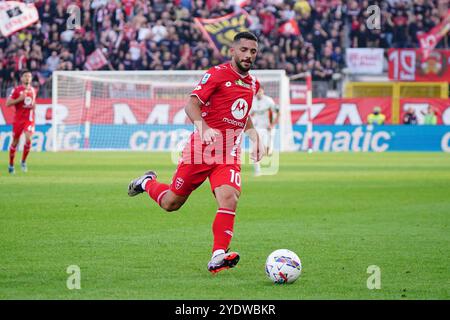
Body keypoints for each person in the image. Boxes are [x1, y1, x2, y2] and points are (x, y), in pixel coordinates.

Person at [127, 32, 264, 274]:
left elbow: (243, 113)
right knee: (171, 203)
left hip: (228, 153)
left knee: (229, 198)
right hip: (201, 151)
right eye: (243, 50)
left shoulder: (253, 84)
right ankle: (147, 182)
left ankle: (218, 255)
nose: (248, 55)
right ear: (233, 51)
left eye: (252, 51)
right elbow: (191, 104)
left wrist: (255, 138)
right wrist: (204, 128)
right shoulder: (217, 74)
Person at [6, 70, 37, 174]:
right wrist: (19, 99)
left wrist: (34, 106)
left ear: (31, 79)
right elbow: (8, 103)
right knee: (15, 142)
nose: (27, 78)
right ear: (22, 79)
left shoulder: (33, 90)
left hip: (29, 120)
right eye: (25, 76)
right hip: (18, 120)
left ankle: (23, 161)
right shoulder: (16, 90)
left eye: (29, 76)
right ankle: (11, 164)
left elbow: (33, 102)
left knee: (29, 139)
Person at [250, 87, 279, 176]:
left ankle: (268, 152)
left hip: (267, 128)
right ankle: (257, 171)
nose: (258, 93)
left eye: (260, 91)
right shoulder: (252, 101)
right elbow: (249, 115)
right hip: (256, 128)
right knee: (255, 149)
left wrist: (272, 125)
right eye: (257, 91)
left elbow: (278, 113)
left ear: (263, 91)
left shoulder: (269, 101)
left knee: (266, 151)